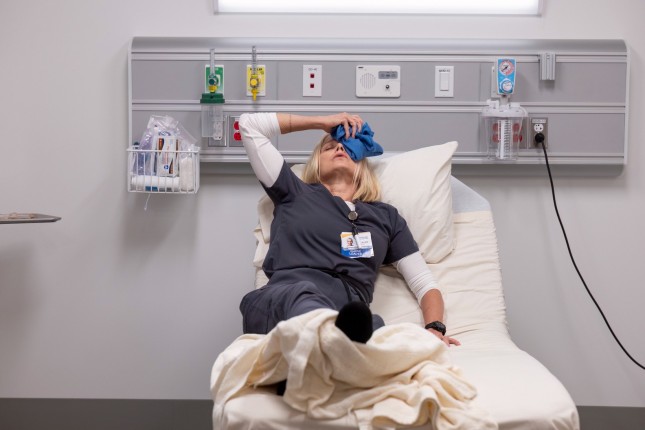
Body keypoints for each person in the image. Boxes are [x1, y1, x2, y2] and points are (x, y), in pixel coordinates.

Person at [238, 112, 460, 349]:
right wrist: (321, 122)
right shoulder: (294, 192)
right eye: (329, 147)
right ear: (316, 163)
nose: (339, 148)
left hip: (350, 312)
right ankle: (334, 341)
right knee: (308, 302)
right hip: (284, 299)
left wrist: (435, 328)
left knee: (379, 330)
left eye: (347, 147)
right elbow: (250, 126)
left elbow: (424, 283)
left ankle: (335, 346)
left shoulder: (386, 217)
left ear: (362, 164)